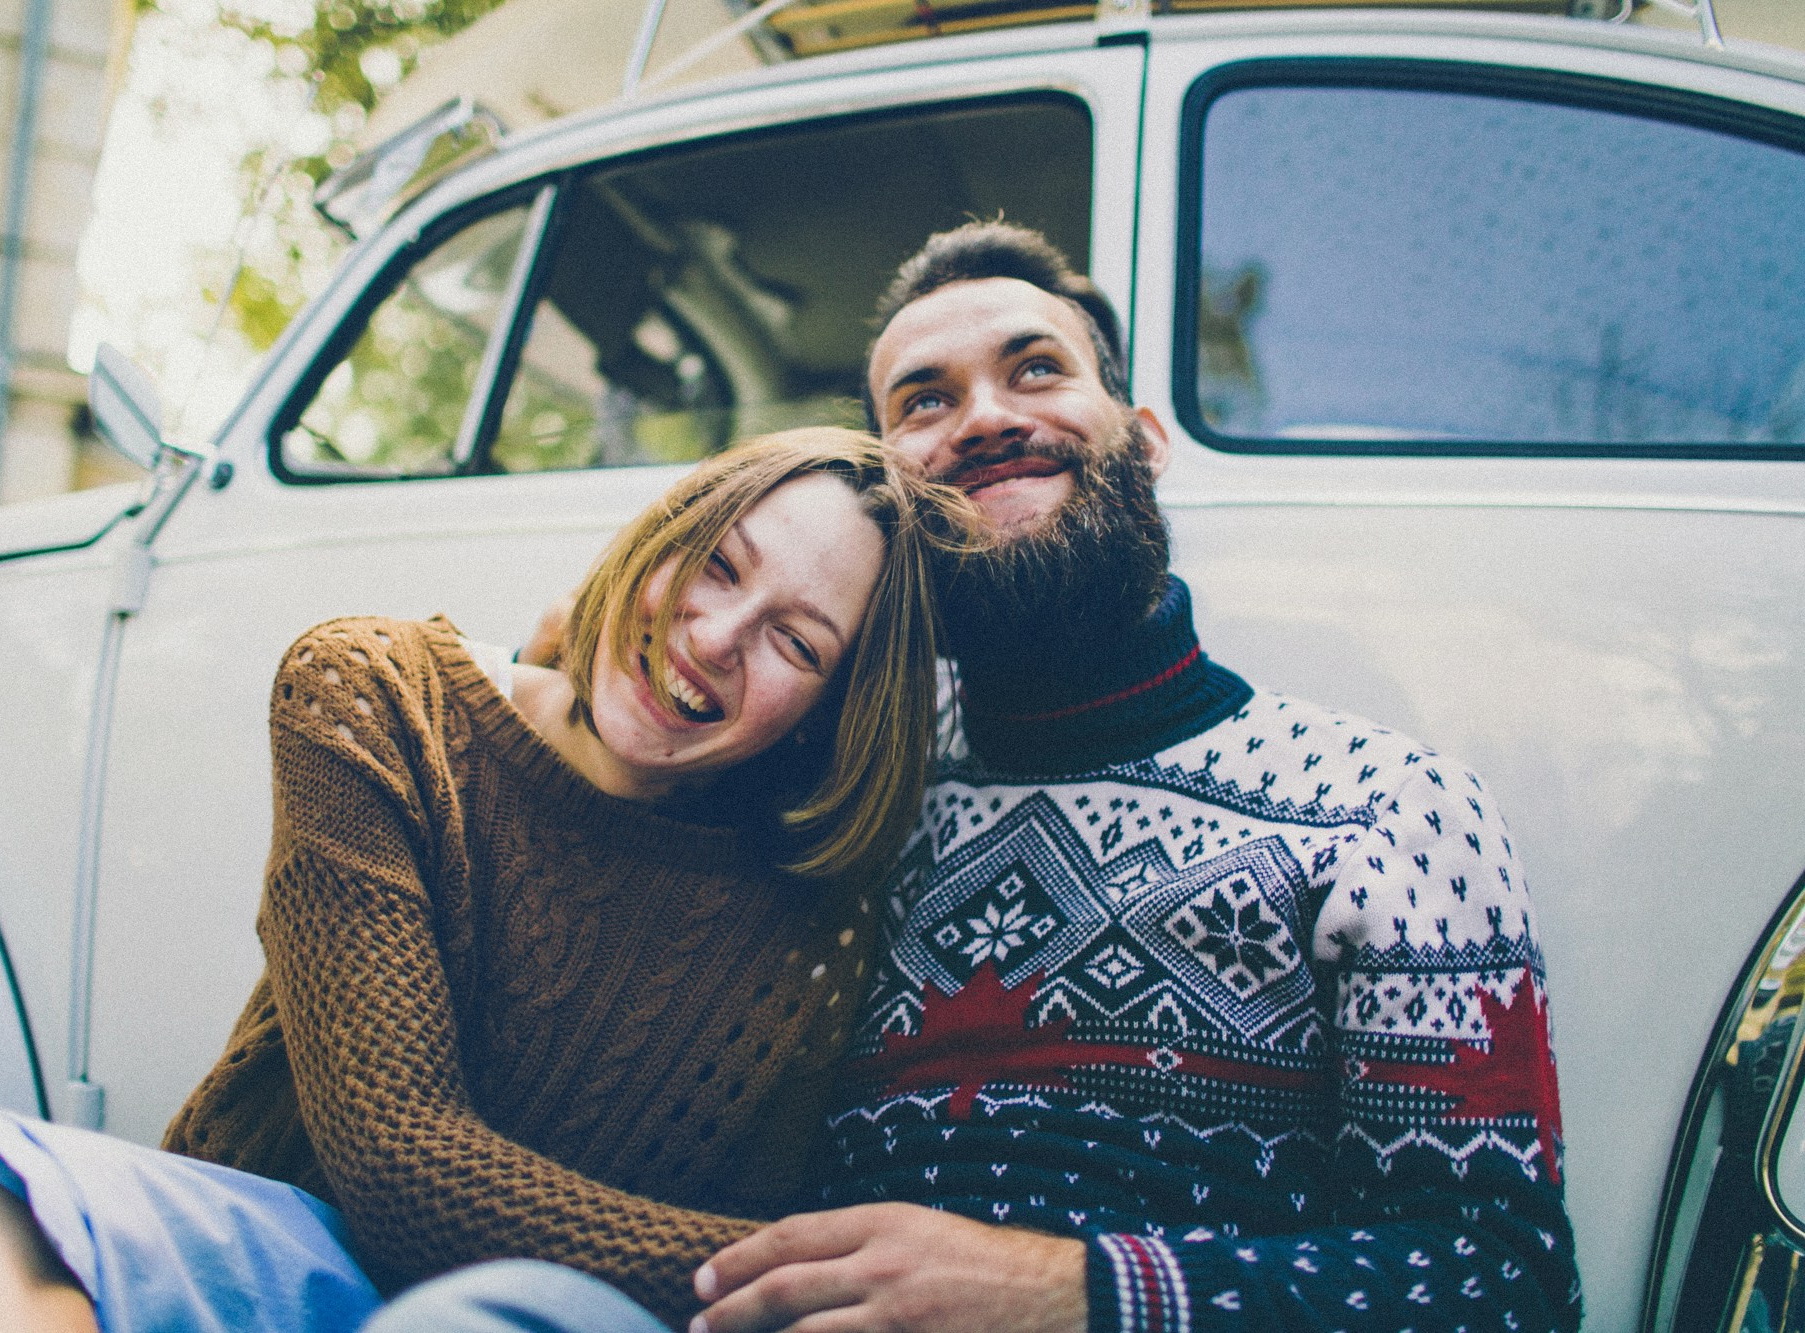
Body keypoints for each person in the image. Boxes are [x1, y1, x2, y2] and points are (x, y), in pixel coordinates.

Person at [402, 223, 1582, 1332]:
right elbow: (585, 785)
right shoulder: (823, 790)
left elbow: (1503, 1276)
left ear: (1146, 439)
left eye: (1034, 371)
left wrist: (1063, 1291)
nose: (981, 417)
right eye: (923, 400)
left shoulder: (1383, 809)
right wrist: (569, 653)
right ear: (889, 497)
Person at [0, 427, 977, 1333]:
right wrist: (804, 1279)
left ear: (828, 714)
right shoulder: (380, 699)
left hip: (550, 1314)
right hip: (277, 1239)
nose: (715, 633)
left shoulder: (813, 920)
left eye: (795, 642)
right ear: (659, 528)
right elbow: (397, 1161)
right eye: (715, 563)